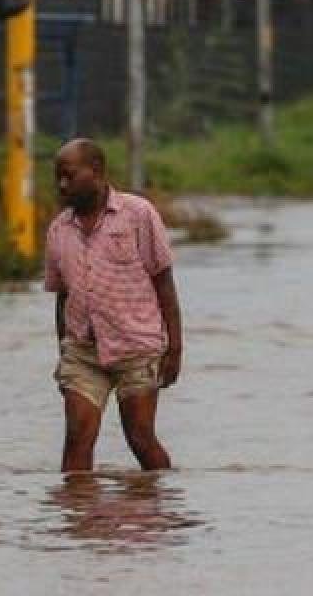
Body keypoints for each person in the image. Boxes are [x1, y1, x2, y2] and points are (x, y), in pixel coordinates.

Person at [44, 138, 183, 472]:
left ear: (97, 172)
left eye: (70, 176)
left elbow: (164, 284)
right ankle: (78, 519)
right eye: (58, 177)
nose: (63, 185)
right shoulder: (58, 230)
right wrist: (63, 352)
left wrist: (174, 348)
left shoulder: (138, 215)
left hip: (136, 346)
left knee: (140, 438)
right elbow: (63, 295)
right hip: (83, 352)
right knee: (76, 438)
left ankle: (162, 506)